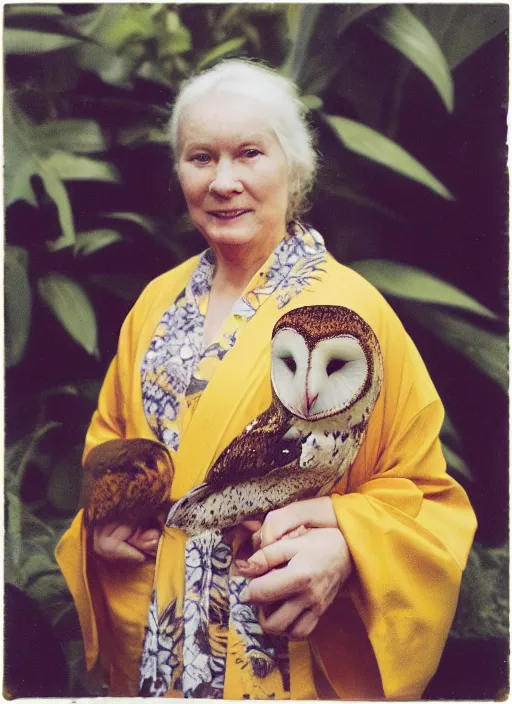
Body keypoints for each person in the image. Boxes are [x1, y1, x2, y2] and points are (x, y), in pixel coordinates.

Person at [56, 59, 477, 699]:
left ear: (294, 167)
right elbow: (113, 439)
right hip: (158, 640)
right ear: (180, 172)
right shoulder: (156, 304)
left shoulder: (354, 313)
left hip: (276, 644)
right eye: (201, 158)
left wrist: (348, 546)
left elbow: (425, 497)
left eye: (249, 153)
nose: (224, 181)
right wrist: (107, 514)